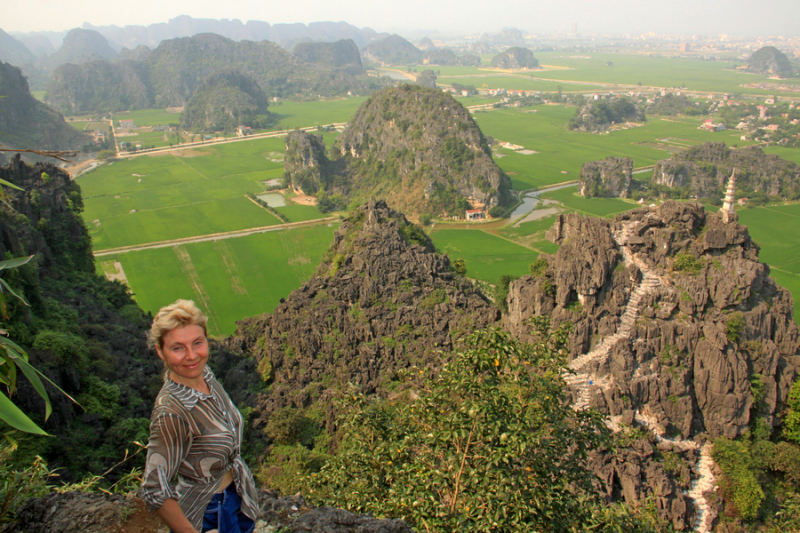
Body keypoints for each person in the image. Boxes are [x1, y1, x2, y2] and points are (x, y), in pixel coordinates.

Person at [139, 299, 259, 533]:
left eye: (197, 343)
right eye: (178, 348)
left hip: (235, 496)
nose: (192, 355)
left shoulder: (206, 376)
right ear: (160, 351)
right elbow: (154, 487)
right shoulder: (172, 411)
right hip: (208, 512)